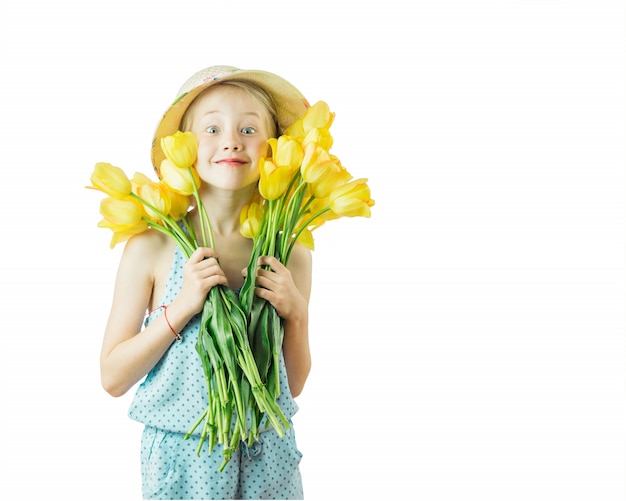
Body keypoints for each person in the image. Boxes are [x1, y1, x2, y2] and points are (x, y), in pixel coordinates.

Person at [99, 65, 312, 500]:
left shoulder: (291, 253)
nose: (231, 140)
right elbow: (113, 376)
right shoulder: (152, 245)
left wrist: (297, 315)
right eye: (212, 127)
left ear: (275, 149)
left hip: (267, 455)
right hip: (182, 457)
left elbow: (290, 386)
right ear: (183, 148)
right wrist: (181, 307)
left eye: (249, 128)